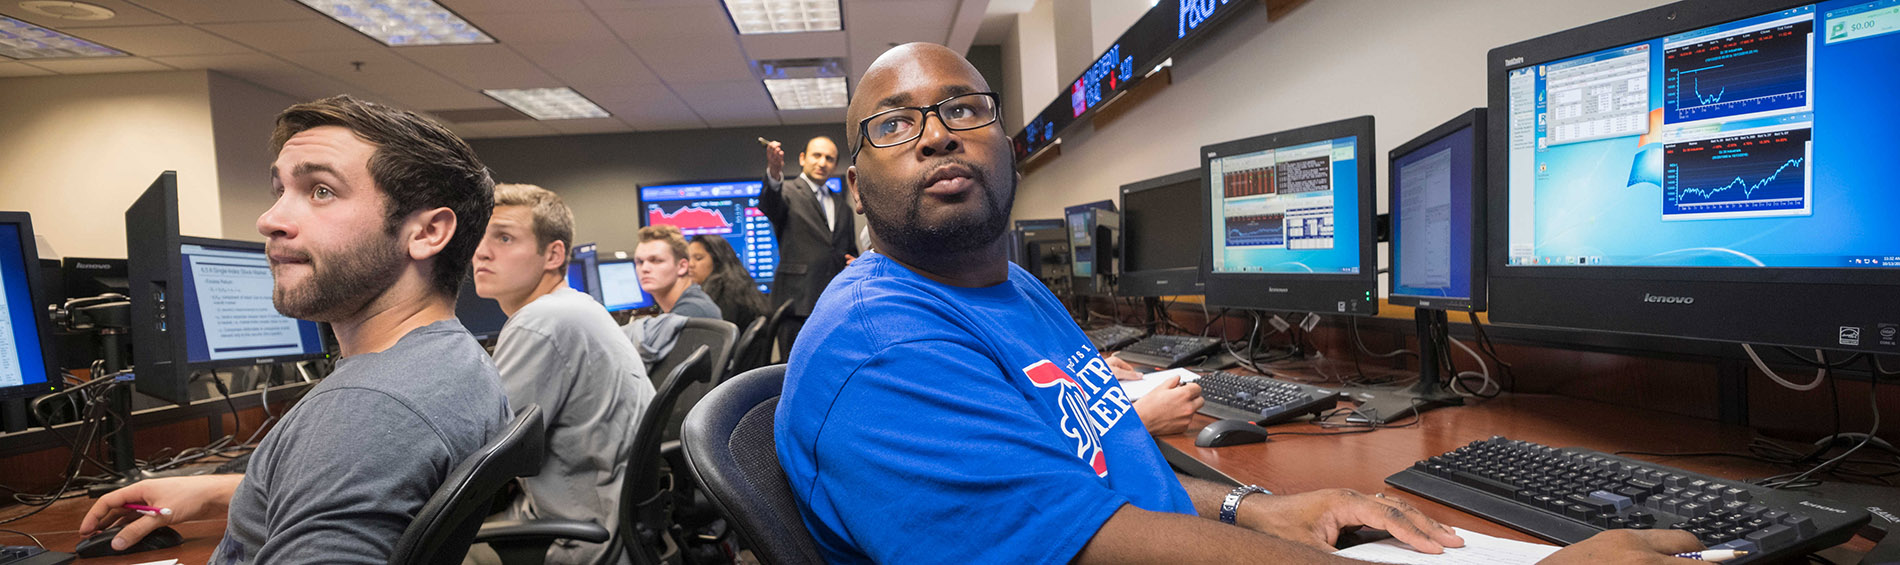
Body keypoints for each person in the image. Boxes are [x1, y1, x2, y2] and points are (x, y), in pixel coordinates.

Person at [773, 43, 1706, 564]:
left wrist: (1248, 510)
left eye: (964, 109)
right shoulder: (885, 347)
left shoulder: (1005, 288)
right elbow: (1098, 539)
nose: (938, 136)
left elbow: (1098, 474)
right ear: (855, 184)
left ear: (1006, 145)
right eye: (895, 124)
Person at [80, 94, 511, 564]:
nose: (270, 220)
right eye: (279, 191)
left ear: (427, 233)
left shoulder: (366, 410)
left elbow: (365, 443)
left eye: (320, 191)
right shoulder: (452, 360)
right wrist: (220, 491)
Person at [472, 183, 654, 565]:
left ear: (554, 254)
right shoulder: (574, 307)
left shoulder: (542, 322)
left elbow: (478, 453)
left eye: (504, 238)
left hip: (576, 534)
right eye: (481, 237)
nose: (481, 252)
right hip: (610, 515)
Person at [760, 135, 857, 354]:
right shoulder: (786, 192)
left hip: (835, 305)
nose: (823, 162)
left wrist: (854, 262)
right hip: (797, 305)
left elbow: (849, 251)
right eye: (817, 155)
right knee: (793, 369)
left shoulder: (842, 205)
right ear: (803, 158)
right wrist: (774, 174)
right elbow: (770, 204)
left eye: (829, 158)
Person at [635, 225, 721, 320]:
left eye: (656, 260)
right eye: (640, 262)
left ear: (682, 267)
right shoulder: (672, 308)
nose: (644, 268)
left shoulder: (693, 311)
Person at [686, 234, 769, 330]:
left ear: (718, 260)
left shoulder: (723, 293)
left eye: (698, 258)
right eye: (688, 259)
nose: (690, 264)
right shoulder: (740, 285)